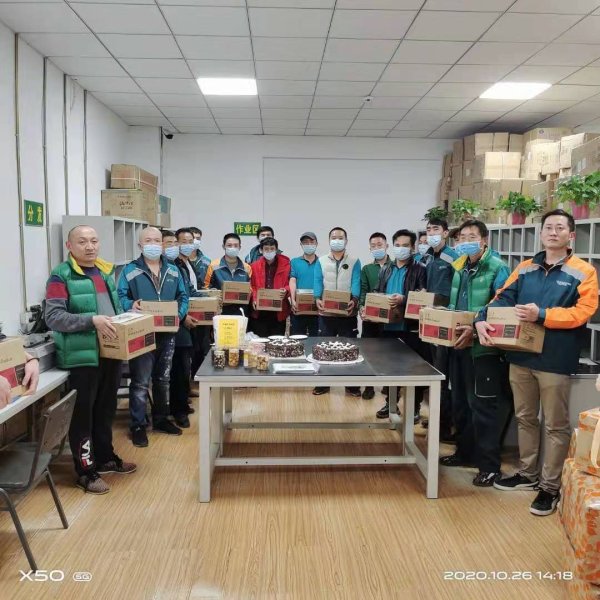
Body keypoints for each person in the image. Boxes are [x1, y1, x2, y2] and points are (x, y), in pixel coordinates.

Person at [477, 209, 599, 516]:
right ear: (541, 233)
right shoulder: (526, 267)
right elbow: (502, 297)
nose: (553, 232)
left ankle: (549, 487)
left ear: (571, 235)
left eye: (560, 228)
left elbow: (583, 312)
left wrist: (541, 314)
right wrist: (481, 318)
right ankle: (527, 474)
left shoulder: (584, 271)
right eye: (548, 227)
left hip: (555, 359)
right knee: (525, 418)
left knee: (556, 424)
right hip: (520, 356)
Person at [45, 225, 136, 494]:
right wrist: (91, 321)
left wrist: (129, 312)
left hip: (109, 353)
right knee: (82, 416)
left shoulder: (104, 272)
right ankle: (85, 472)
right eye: (82, 241)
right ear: (69, 246)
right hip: (82, 358)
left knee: (105, 410)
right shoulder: (61, 276)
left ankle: (105, 457)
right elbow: (53, 317)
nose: (90, 246)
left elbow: (110, 311)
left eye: (94, 241)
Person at [440, 219, 512, 489]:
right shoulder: (460, 266)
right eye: (462, 237)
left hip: (484, 349)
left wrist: (475, 326)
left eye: (472, 236)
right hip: (459, 345)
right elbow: (456, 303)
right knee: (460, 402)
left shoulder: (497, 267)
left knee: (483, 408)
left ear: (484, 240)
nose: (465, 241)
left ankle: (490, 467)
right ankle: (465, 452)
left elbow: (503, 306)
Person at [118, 227, 189, 448]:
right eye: (148, 240)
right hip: (141, 333)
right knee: (140, 382)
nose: (153, 244)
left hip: (167, 333)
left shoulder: (173, 270)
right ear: (140, 245)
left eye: (157, 240)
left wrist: (177, 315)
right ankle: (138, 425)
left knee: (162, 379)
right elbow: (120, 296)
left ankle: (160, 419)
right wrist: (130, 305)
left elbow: (183, 296)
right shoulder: (130, 270)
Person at [364, 229, 429, 420]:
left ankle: (414, 408)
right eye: (398, 245)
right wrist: (371, 307)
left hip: (410, 327)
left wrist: (404, 299)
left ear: (413, 247)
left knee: (413, 369)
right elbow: (377, 291)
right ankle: (391, 404)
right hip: (388, 327)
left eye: (405, 245)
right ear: (393, 247)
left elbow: (424, 297)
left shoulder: (420, 269)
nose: (401, 249)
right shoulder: (386, 269)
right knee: (390, 368)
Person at [420, 218, 459, 440]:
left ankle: (444, 426)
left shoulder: (453, 257)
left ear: (445, 233)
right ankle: (436, 418)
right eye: (428, 230)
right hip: (429, 319)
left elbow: (456, 287)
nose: (432, 233)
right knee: (434, 371)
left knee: (443, 376)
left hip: (445, 319)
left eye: (436, 229)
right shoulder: (427, 257)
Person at [313, 227, 362, 397]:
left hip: (347, 314)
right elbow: (318, 281)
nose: (337, 240)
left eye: (340, 238)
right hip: (326, 314)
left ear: (346, 241)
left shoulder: (354, 261)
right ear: (329, 241)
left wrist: (355, 299)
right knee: (324, 348)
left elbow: (356, 281)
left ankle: (352, 385)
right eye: (334, 237)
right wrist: (317, 298)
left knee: (350, 349)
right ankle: (323, 384)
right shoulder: (321, 261)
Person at [163, 231, 202, 429]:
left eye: (174, 243)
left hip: (182, 321)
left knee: (183, 366)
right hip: (169, 324)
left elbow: (185, 294)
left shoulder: (179, 267)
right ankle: (175, 410)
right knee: (175, 369)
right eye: (168, 243)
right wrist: (182, 317)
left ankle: (181, 405)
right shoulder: (163, 269)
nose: (173, 247)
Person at [176, 227, 211, 386]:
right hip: (183, 315)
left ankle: (189, 387)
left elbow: (192, 289)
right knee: (183, 357)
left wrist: (210, 299)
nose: (188, 245)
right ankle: (185, 390)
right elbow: (181, 294)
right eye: (184, 242)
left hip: (194, 313)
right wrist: (182, 316)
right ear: (177, 243)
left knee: (196, 350)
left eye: (191, 242)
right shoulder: (176, 264)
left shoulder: (188, 263)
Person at [358, 232, 391, 400]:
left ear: (387, 246)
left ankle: (389, 386)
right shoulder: (367, 269)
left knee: (388, 351)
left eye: (380, 245)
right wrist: (361, 307)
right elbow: (363, 290)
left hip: (389, 318)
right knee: (368, 351)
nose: (377, 248)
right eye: (373, 246)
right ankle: (369, 386)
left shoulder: (395, 267)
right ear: (370, 248)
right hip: (370, 318)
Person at [250, 237, 291, 337]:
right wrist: (254, 298)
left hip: (279, 311)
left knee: (277, 341)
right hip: (260, 311)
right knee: (260, 341)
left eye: (272, 249)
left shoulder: (286, 265)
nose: (269, 251)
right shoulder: (254, 266)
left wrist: (286, 290)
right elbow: (252, 286)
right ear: (261, 250)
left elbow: (291, 283)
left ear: (276, 250)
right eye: (266, 249)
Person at [205, 233, 252, 316]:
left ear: (240, 247)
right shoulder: (214, 266)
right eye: (229, 245)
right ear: (224, 246)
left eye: (236, 245)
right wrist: (217, 297)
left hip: (240, 311)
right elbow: (206, 288)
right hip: (220, 311)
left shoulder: (246, 268)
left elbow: (251, 289)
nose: (232, 248)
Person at [289, 232, 319, 337]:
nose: (309, 244)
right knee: (297, 339)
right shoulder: (294, 262)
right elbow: (292, 281)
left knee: (316, 340)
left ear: (316, 244)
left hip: (317, 309)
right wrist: (292, 300)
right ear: (301, 245)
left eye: (311, 242)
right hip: (298, 308)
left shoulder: (322, 262)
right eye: (305, 242)